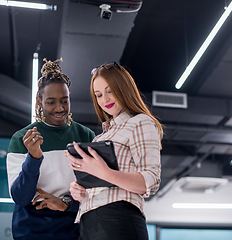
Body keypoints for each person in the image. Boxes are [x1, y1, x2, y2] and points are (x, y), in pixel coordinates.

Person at [65, 62, 163, 240]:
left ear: (124, 88)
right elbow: (95, 183)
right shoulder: (98, 139)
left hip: (118, 218)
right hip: (88, 223)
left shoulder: (140, 122)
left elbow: (151, 181)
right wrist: (78, 189)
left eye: (110, 91)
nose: (105, 100)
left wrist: (104, 172)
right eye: (99, 95)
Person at [6, 58, 95, 240]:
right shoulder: (21, 139)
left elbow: (97, 193)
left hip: (73, 230)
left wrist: (65, 204)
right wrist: (34, 157)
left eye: (64, 100)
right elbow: (21, 197)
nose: (59, 108)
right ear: (39, 101)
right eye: (51, 102)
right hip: (31, 231)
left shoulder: (86, 136)